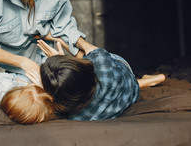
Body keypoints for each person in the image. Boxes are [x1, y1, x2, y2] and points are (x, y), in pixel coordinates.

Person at [35, 36, 166, 120]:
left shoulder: (74, 116)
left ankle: (142, 82)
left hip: (124, 97)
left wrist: (45, 84)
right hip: (126, 83)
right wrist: (62, 46)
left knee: (85, 61)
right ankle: (140, 82)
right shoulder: (103, 65)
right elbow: (91, 50)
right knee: (89, 56)